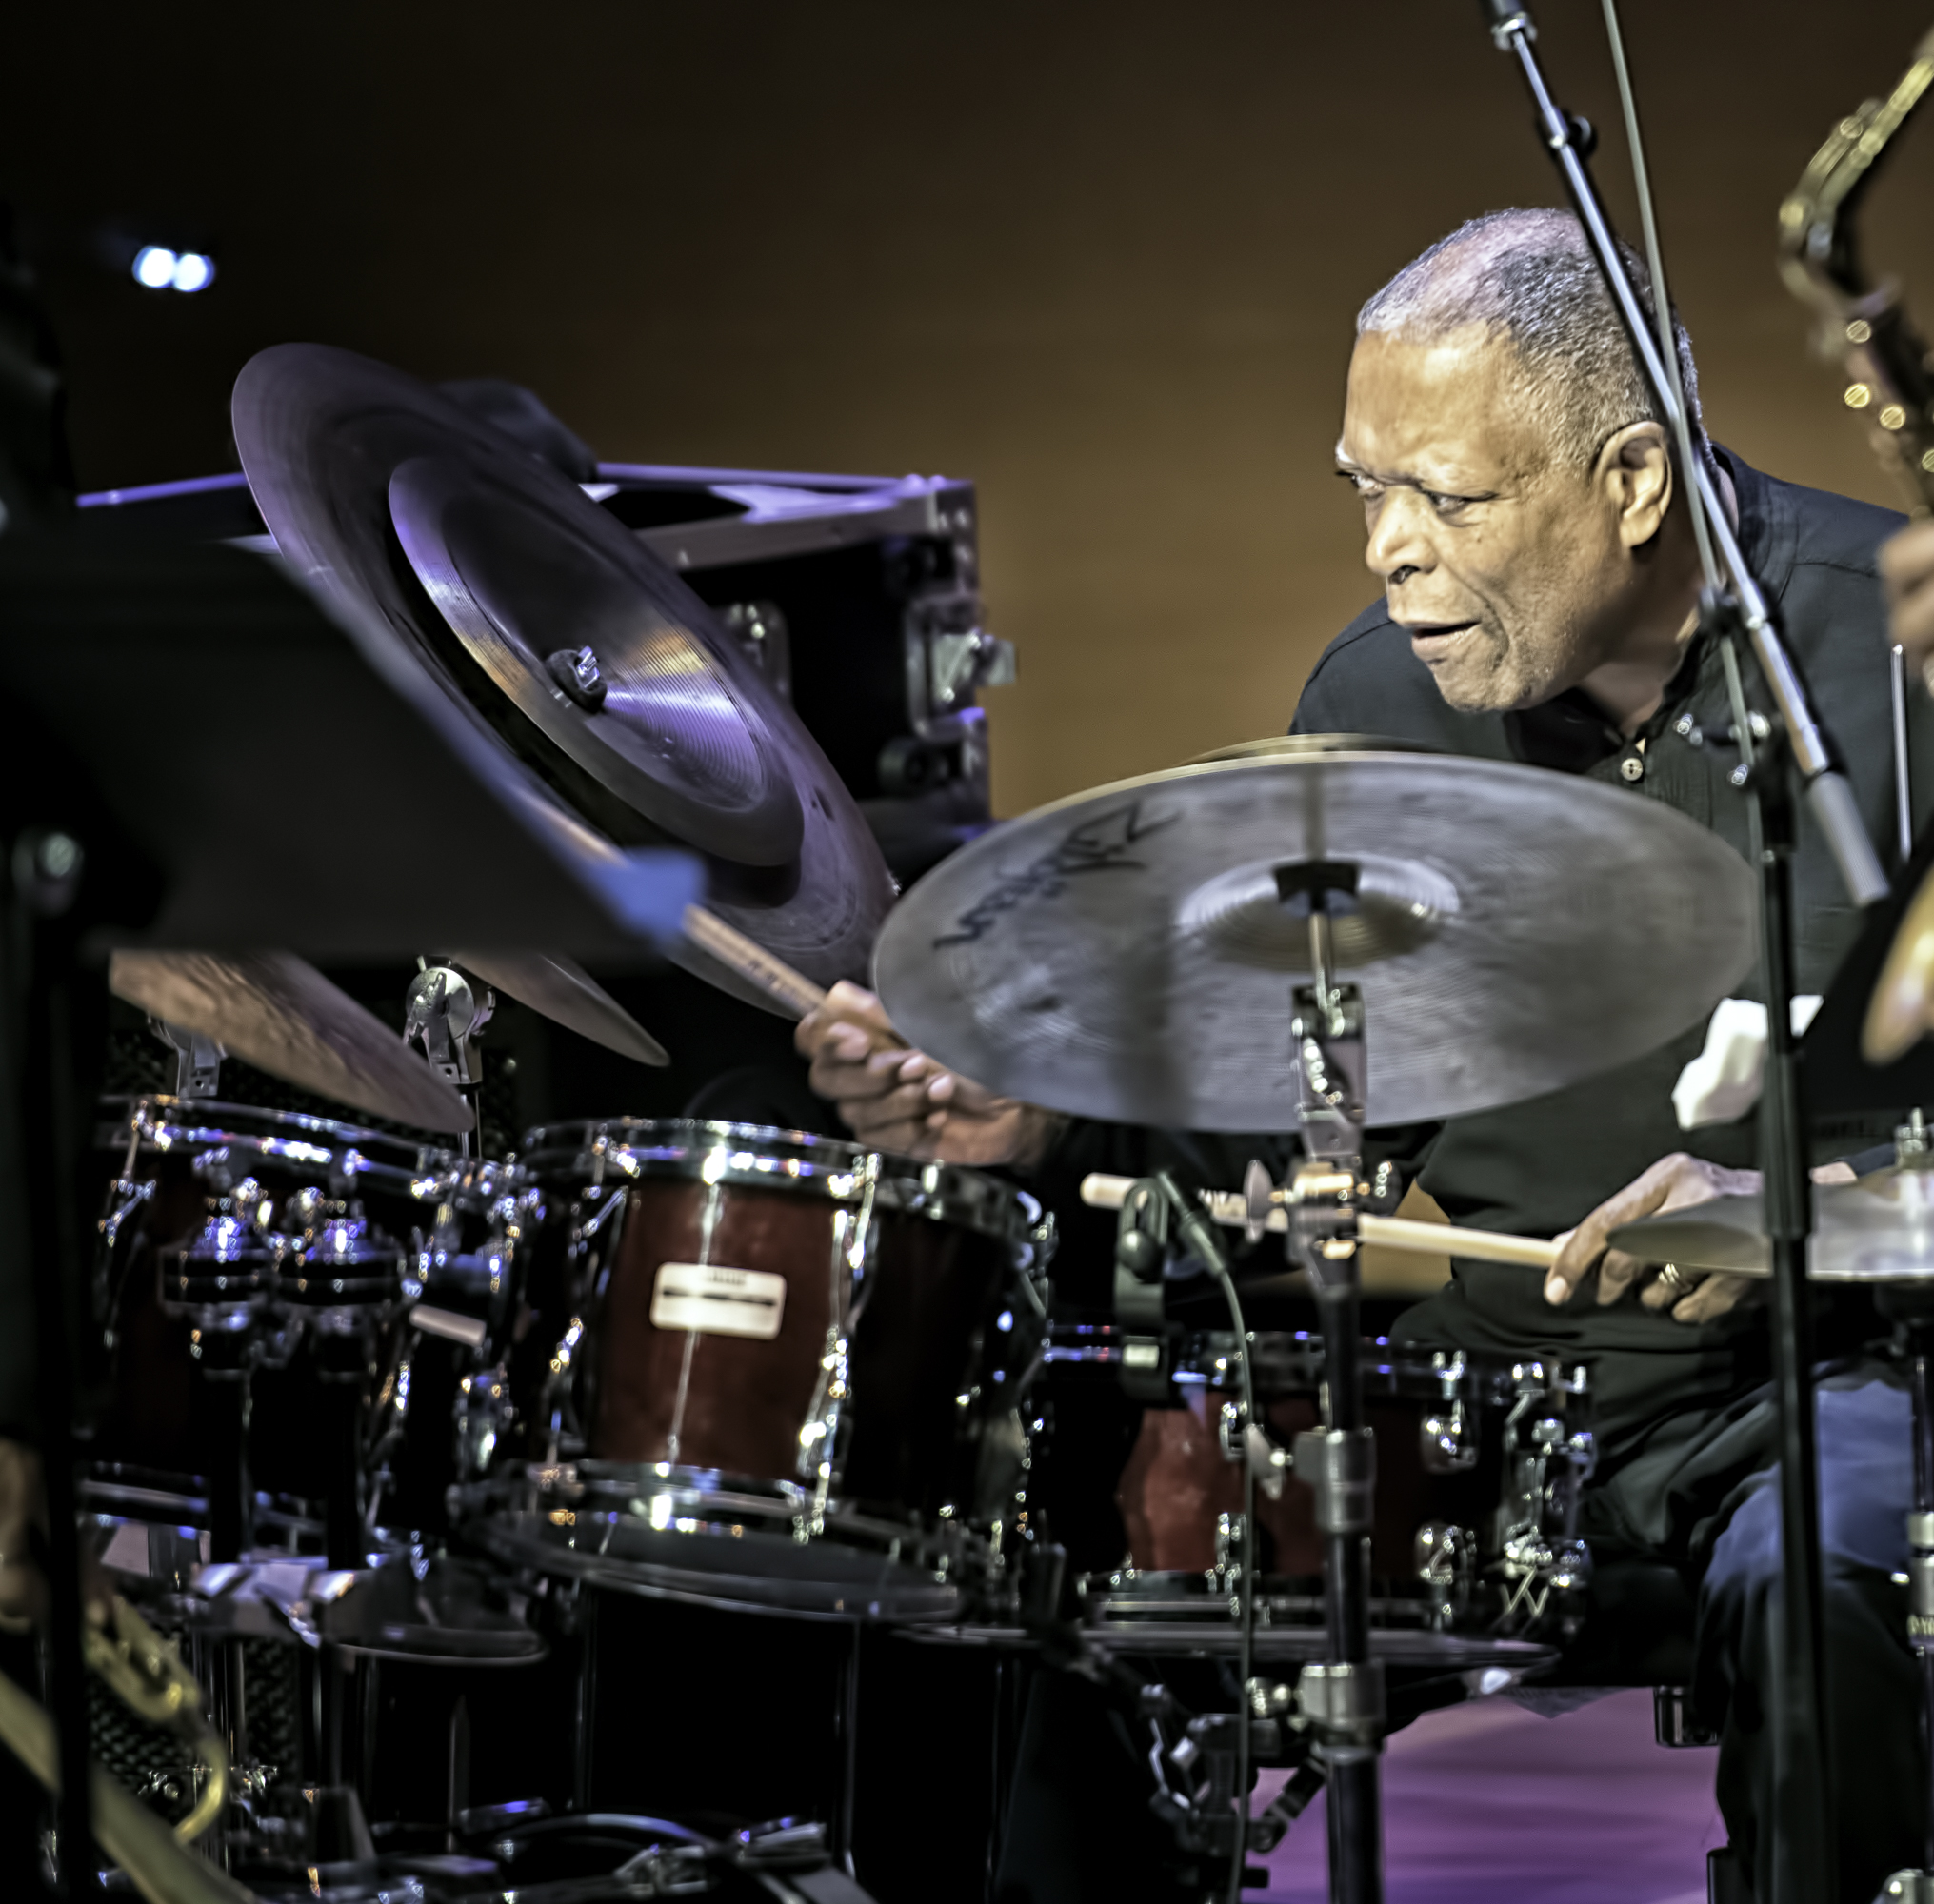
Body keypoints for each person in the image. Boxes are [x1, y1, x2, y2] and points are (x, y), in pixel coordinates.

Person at [797, 208, 1934, 1904]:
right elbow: (1285, 1118)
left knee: (1831, 1579)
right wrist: (1034, 1123)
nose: (1392, 553)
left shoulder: (1900, 656)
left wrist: (1819, 1195)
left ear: (1633, 482)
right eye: (1365, 492)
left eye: (1449, 499)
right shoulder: (1384, 703)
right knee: (1087, 1565)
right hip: (1489, 1402)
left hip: (1829, 1389)